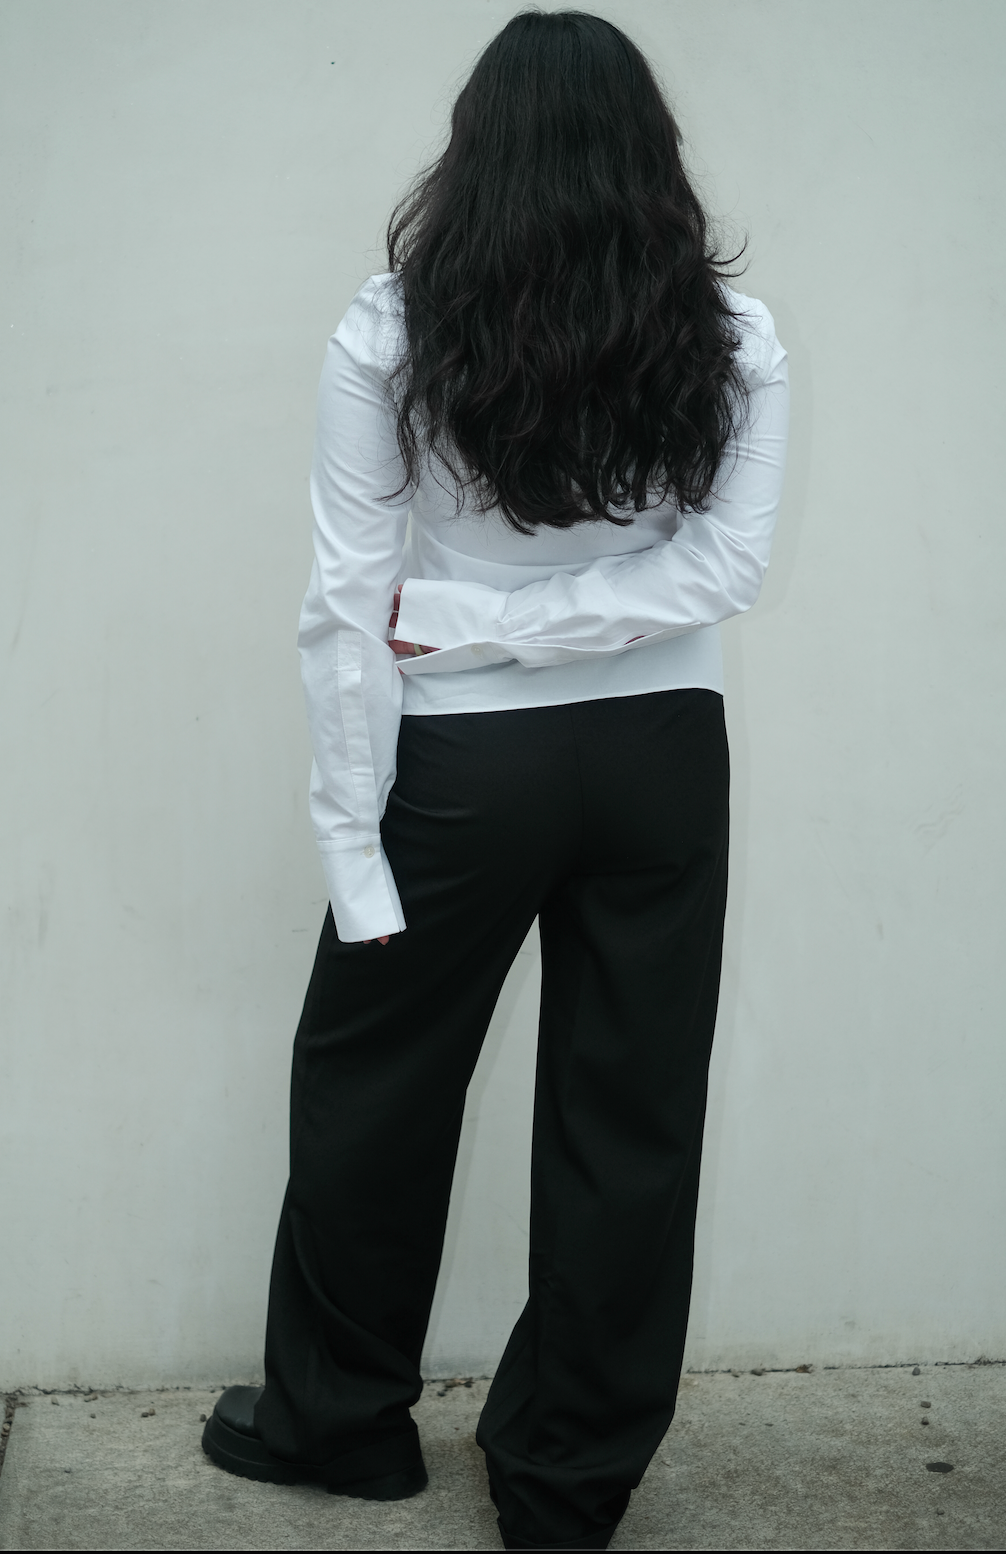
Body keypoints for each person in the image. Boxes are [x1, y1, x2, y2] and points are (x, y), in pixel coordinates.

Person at [202, 10, 788, 1550]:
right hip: (663, 757)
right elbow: (718, 572)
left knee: (374, 1083)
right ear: (649, 157)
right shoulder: (732, 335)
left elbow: (349, 606)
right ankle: (565, 1481)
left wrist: (369, 811)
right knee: (629, 1115)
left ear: (473, 154)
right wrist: (556, 628)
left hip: (461, 764)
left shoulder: (391, 330)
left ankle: (339, 1422)